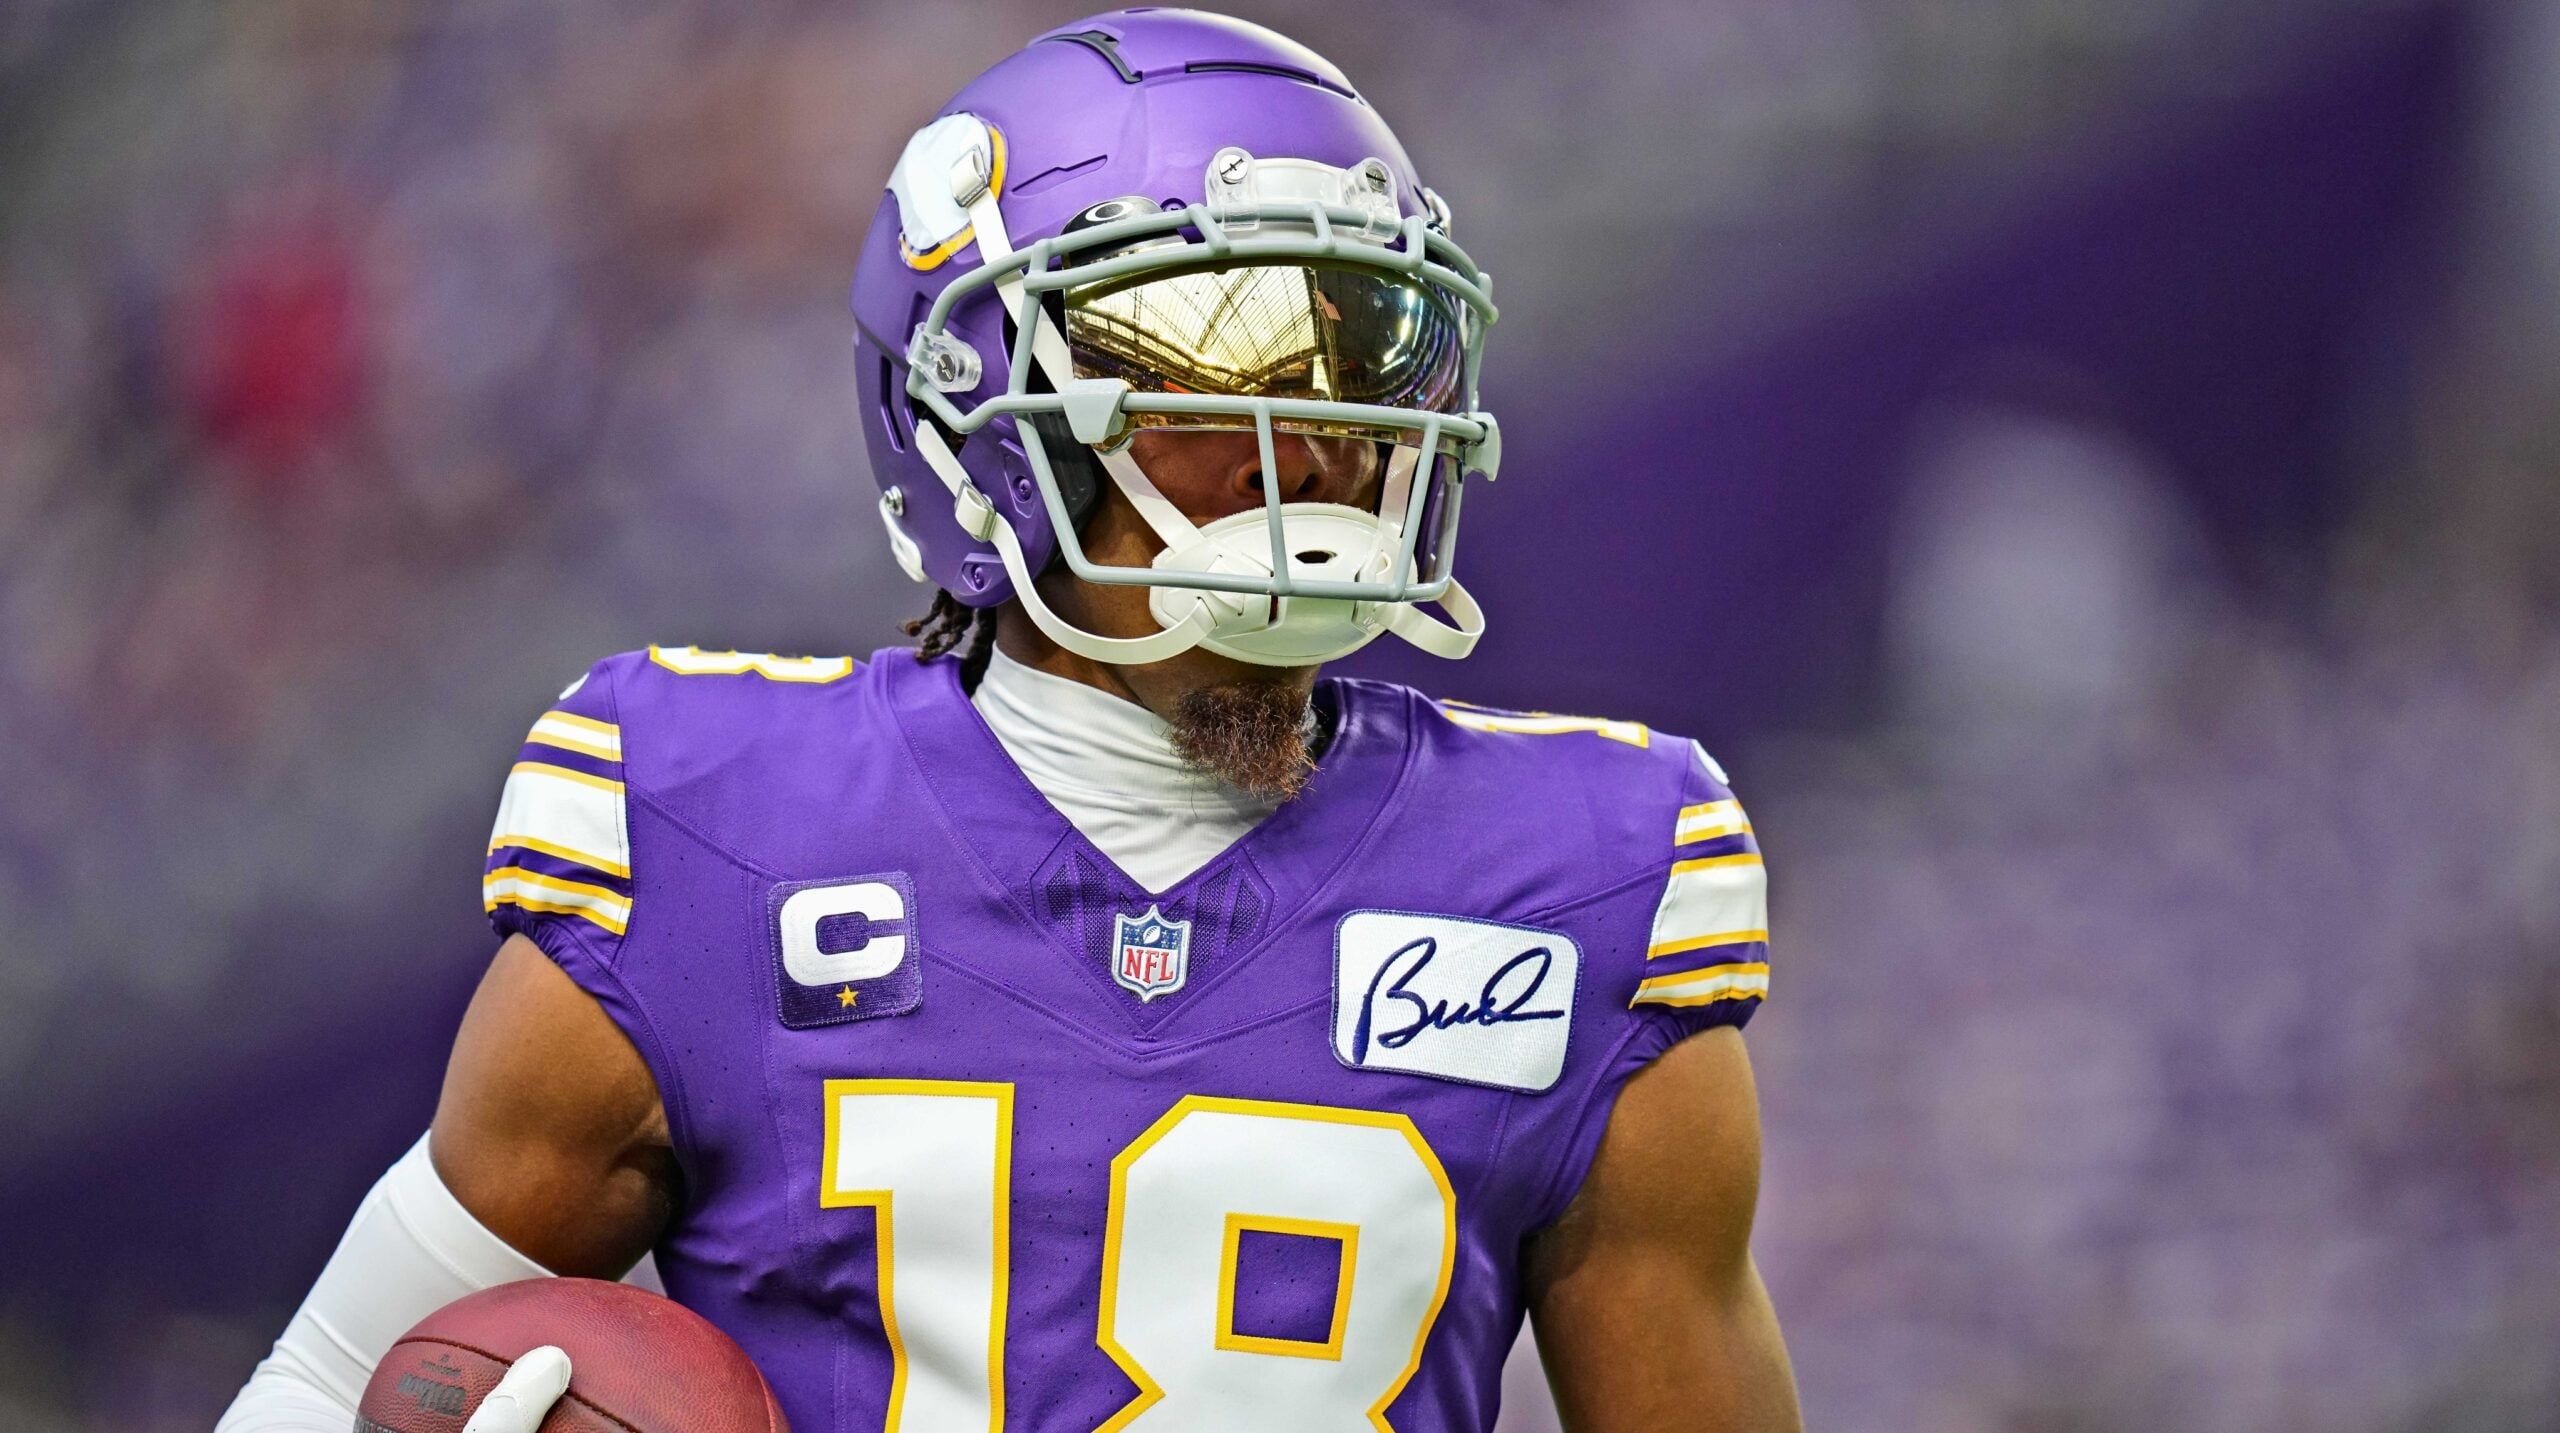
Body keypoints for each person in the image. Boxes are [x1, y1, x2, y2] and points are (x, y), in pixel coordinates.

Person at [217, 10, 1800, 1431]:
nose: (1314, 441)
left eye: (1359, 348)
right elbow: (315, 1386)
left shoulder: (1584, 880)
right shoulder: (711, 831)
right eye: (1227, 360)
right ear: (978, 426)